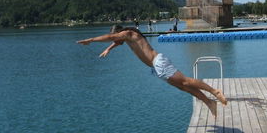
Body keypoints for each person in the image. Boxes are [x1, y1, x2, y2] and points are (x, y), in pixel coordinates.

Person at [77, 25, 227, 117]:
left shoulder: (129, 34)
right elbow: (116, 41)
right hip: (156, 67)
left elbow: (112, 37)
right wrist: (108, 49)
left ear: (120, 32)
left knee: (186, 81)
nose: (116, 41)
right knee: (183, 87)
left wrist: (90, 40)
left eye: (116, 37)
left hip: (158, 62)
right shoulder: (127, 38)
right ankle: (209, 103)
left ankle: (215, 91)